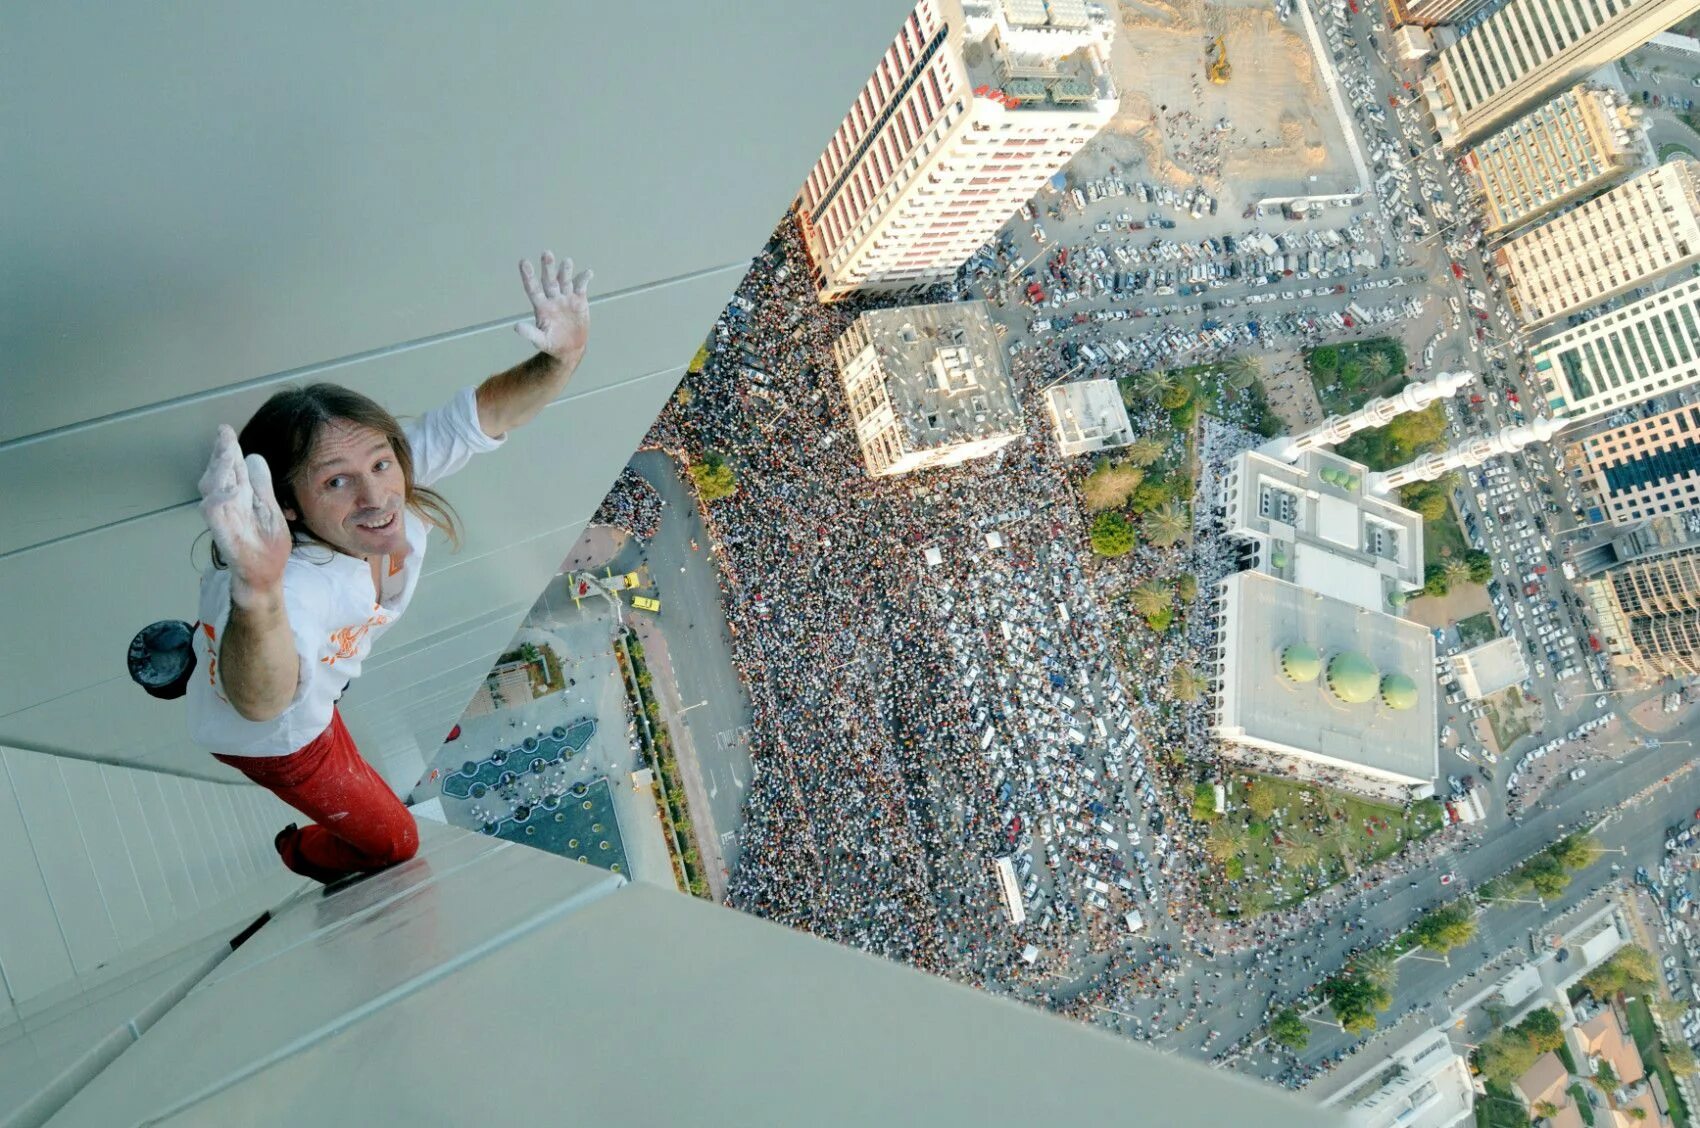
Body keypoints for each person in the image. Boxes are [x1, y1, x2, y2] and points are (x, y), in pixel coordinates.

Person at [186, 251, 591, 884]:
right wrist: (258, 591)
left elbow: (489, 413)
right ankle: (299, 850)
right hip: (287, 741)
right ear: (288, 506)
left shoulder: (386, 478)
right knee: (397, 844)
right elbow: (260, 704)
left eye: (380, 464)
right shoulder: (297, 585)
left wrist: (561, 357)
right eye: (338, 482)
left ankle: (212, 647)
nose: (377, 498)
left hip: (316, 682)